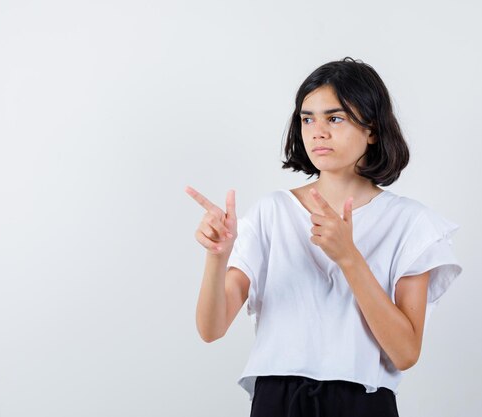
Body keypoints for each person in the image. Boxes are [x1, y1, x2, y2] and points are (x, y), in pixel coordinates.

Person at [186, 57, 463, 417]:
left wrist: (348, 256)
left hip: (364, 401)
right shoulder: (273, 213)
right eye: (307, 118)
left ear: (372, 129)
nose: (317, 131)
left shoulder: (410, 222)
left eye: (335, 118)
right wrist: (217, 256)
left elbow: (405, 352)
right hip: (277, 399)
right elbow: (211, 329)